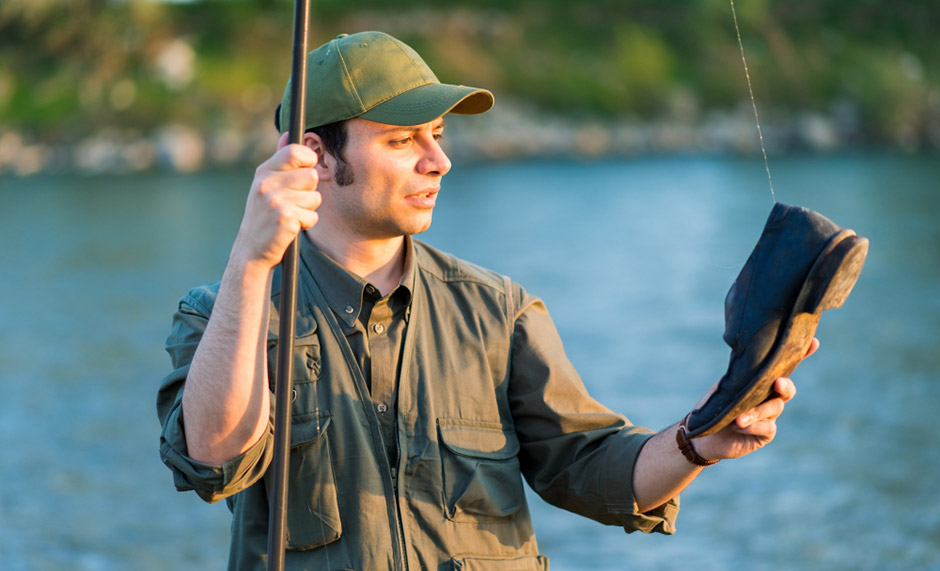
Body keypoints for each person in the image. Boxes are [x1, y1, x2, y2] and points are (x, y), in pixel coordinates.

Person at [157, 31, 818, 570]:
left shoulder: (500, 311)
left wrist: (699, 438)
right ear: (316, 158)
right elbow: (215, 459)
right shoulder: (223, 313)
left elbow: (593, 469)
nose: (437, 160)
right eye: (401, 140)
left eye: (438, 133)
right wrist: (251, 259)